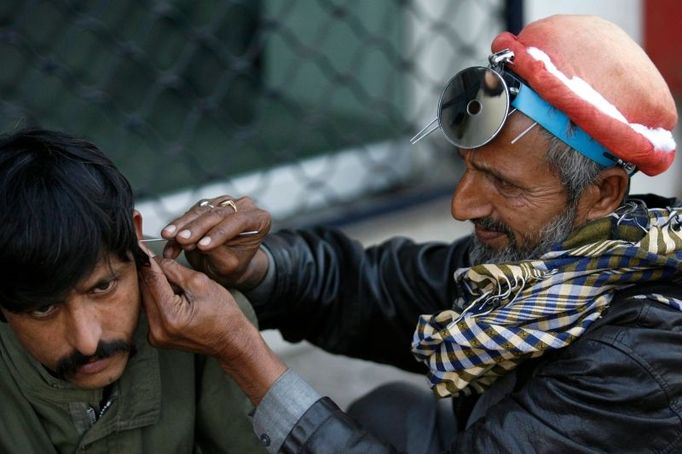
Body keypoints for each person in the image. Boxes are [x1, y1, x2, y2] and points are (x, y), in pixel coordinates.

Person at [140, 15, 682, 453]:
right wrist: (255, 267)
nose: (460, 203)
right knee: (395, 416)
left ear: (604, 193)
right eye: (466, 167)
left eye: (502, 183)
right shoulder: (546, 268)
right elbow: (377, 288)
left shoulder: (634, 359)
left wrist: (243, 353)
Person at [0, 129, 264, 453]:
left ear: (135, 236)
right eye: (43, 309)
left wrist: (236, 344)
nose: (86, 342)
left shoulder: (206, 311)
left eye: (103, 287)